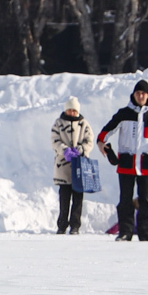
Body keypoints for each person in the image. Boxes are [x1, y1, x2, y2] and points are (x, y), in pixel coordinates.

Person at [99, 79, 148, 243]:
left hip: (146, 165)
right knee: (125, 200)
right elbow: (106, 131)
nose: (141, 96)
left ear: (147, 95)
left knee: (145, 200)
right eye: (138, 93)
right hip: (126, 164)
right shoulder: (124, 114)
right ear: (133, 95)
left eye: (143, 93)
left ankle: (145, 233)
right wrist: (101, 143)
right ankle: (125, 232)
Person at [50, 96, 94, 235]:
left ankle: (75, 225)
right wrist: (64, 150)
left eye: (74, 110)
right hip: (63, 167)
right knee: (64, 197)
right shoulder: (58, 123)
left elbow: (90, 140)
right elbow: (54, 140)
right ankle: (62, 225)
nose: (72, 113)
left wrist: (81, 149)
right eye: (69, 110)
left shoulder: (84, 124)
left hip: (79, 167)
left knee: (78, 198)